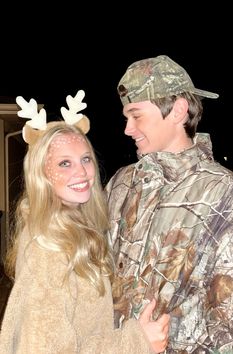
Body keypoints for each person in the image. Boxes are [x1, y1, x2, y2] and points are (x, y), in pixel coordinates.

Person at [0, 91, 170, 353]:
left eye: (85, 159)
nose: (81, 172)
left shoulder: (74, 226)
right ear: (42, 175)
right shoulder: (47, 247)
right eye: (64, 163)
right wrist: (136, 342)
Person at [105, 55, 233, 353]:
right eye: (126, 116)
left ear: (178, 110)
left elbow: (228, 321)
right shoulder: (121, 184)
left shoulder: (224, 193)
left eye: (136, 116)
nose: (128, 128)